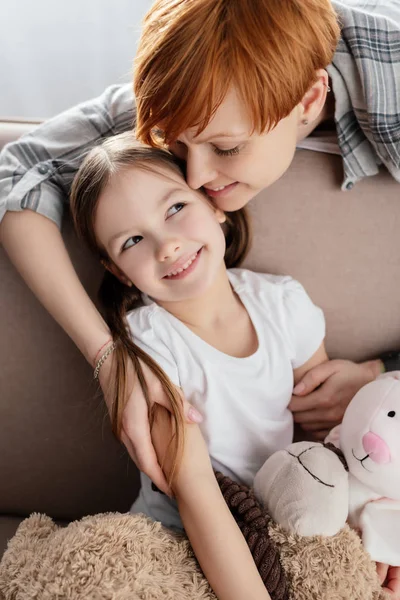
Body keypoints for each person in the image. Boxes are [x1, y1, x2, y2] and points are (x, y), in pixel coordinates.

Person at [1, 0, 399, 534]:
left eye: (226, 148)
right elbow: (16, 177)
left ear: (309, 97)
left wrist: (385, 372)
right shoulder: (200, 82)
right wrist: (109, 359)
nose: (194, 175)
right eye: (175, 144)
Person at [69, 130, 327, 598]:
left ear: (213, 204)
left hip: (277, 523)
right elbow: (195, 493)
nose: (166, 246)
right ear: (116, 270)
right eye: (132, 240)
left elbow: (325, 435)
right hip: (178, 538)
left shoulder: (283, 306)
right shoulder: (148, 347)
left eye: (175, 209)